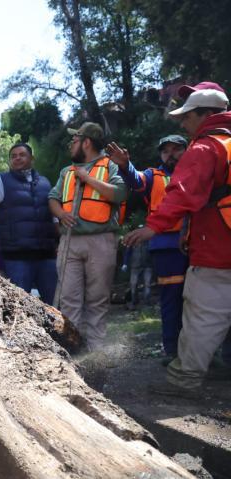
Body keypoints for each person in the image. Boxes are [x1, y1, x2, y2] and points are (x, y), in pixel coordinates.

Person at [125, 85, 231, 397]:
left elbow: (182, 193)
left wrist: (152, 226)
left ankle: (185, 380)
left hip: (217, 246)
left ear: (206, 116)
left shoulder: (205, 148)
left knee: (201, 313)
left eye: (187, 117)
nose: (182, 123)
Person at [48, 122, 128, 352]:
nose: (70, 145)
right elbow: (52, 198)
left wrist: (88, 179)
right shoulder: (66, 172)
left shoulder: (110, 166)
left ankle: (94, 354)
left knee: (97, 300)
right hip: (69, 241)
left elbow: (120, 194)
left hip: (101, 240)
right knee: (68, 299)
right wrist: (61, 213)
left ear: (86, 142)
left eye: (74, 140)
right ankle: (72, 350)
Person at [108, 135, 188, 358]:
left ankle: (200, 353)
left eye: (176, 149)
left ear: (187, 150)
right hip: (166, 245)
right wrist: (125, 165)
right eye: (165, 151)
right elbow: (136, 180)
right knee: (172, 299)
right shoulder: (155, 175)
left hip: (200, 242)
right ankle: (172, 350)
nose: (170, 154)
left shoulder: (197, 171)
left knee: (200, 300)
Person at [0, 143, 58, 301]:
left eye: (21, 155)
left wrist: (59, 243)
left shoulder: (45, 182)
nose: (17, 158)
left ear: (32, 158)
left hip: (47, 256)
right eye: (13, 156)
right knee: (20, 307)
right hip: (17, 258)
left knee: (54, 304)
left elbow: (53, 215)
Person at [121, 235, 153, 310]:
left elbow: (153, 252)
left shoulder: (150, 241)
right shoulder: (133, 241)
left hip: (147, 265)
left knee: (147, 284)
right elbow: (128, 252)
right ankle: (134, 301)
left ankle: (147, 303)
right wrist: (125, 263)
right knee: (133, 284)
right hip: (135, 265)